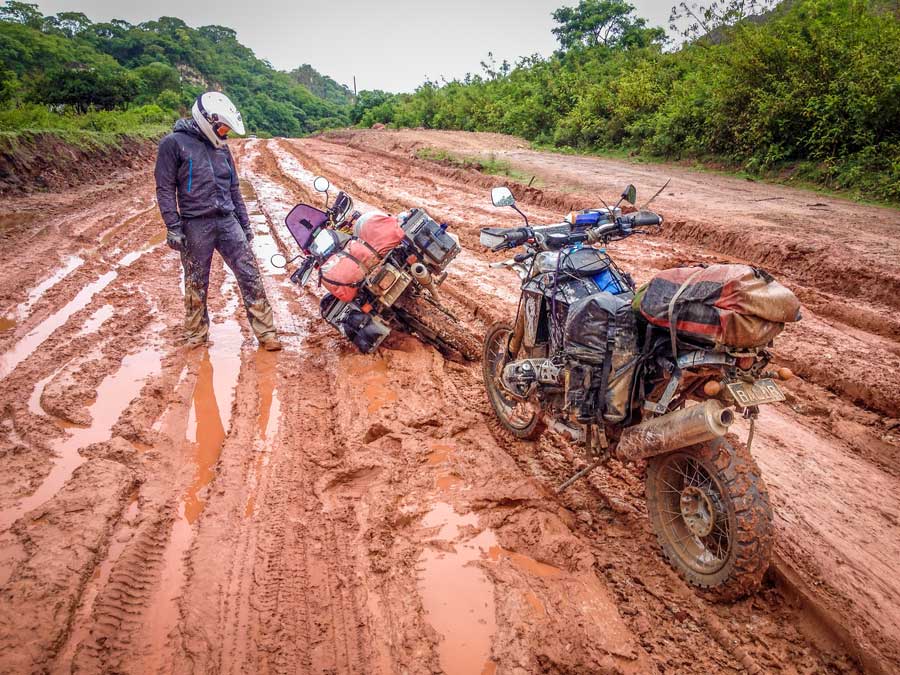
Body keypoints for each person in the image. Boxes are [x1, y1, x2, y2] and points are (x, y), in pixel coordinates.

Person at [155, 91, 282, 351]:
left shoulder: (221, 147)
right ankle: (195, 335)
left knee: (250, 274)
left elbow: (234, 188)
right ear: (207, 120)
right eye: (223, 127)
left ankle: (267, 333)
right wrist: (173, 226)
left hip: (227, 221)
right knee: (195, 281)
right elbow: (165, 188)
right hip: (195, 224)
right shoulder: (173, 144)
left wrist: (245, 224)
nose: (225, 132)